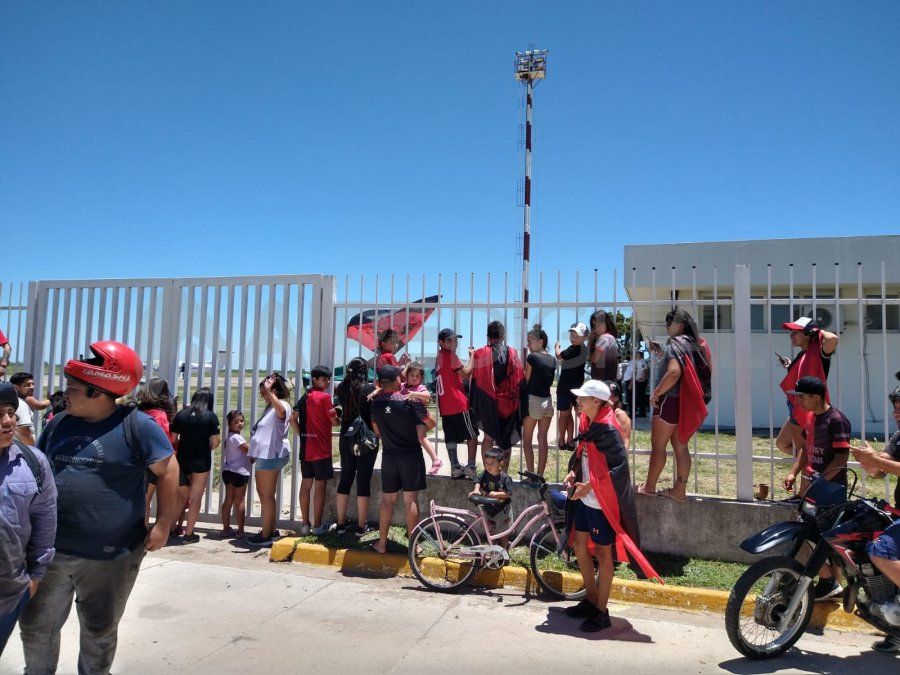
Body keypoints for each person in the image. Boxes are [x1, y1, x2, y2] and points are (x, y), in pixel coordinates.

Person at [19, 340, 179, 674]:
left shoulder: (137, 426)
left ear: (98, 393)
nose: (66, 395)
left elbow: (169, 469)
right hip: (50, 553)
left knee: (99, 632)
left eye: (73, 389)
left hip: (111, 556)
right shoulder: (59, 423)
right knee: (36, 628)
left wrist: (163, 524)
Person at [562, 380, 660, 632]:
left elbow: (617, 469)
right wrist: (574, 474)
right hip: (586, 498)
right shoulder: (587, 422)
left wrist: (589, 486)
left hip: (601, 502)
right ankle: (591, 598)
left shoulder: (608, 428)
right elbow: (584, 455)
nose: (578, 401)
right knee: (579, 545)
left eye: (583, 397)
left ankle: (601, 611)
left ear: (597, 401)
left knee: (604, 555)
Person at [0, 382, 56, 656]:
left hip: (9, 595)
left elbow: (44, 521)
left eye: (11, 412)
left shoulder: (33, 463)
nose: (8, 421)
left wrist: (35, 576)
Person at [782, 375, 850, 601]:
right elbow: (805, 448)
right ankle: (829, 581)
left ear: (816, 397)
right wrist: (794, 472)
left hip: (830, 491)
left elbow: (841, 458)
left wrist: (821, 483)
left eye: (801, 397)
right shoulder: (810, 418)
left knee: (824, 537)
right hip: (813, 488)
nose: (798, 401)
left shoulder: (836, 420)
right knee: (807, 534)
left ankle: (832, 582)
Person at [639, 309, 712, 501]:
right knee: (681, 447)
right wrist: (662, 352)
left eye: (669, 322)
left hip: (669, 401)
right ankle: (679, 490)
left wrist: (657, 393)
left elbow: (673, 372)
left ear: (680, 325)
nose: (666, 326)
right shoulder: (696, 345)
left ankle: (649, 487)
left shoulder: (675, 344)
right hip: (686, 403)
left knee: (658, 446)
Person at [852, 376, 900, 652]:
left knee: (880, 551)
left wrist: (877, 461)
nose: (896, 411)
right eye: (895, 406)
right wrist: (868, 458)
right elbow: (880, 470)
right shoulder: (898, 437)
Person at [369, 365, 427, 555]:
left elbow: (376, 431)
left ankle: (382, 543)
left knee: (388, 500)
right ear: (396, 381)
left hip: (389, 456)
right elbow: (428, 425)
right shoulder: (410, 402)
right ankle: (413, 545)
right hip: (411, 455)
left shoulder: (375, 404)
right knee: (410, 499)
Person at [776, 317, 839, 457]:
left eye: (795, 332)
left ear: (807, 333)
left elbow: (833, 339)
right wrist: (790, 366)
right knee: (782, 444)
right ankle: (817, 461)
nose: (791, 336)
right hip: (797, 404)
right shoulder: (804, 353)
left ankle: (815, 466)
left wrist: (817, 331)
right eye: (791, 332)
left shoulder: (819, 351)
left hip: (807, 405)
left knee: (802, 450)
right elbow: (803, 373)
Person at [291, 366, 339, 535]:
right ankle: (318, 526)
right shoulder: (325, 398)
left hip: (306, 450)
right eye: (324, 379)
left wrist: (302, 435)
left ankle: (305, 525)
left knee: (305, 485)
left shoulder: (304, 397)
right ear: (315, 379)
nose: (327, 382)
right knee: (320, 488)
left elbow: (292, 418)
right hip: (321, 450)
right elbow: (334, 422)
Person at [469, 321, 524, 470]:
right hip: (509, 403)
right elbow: (519, 378)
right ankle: (503, 472)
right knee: (506, 441)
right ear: (503, 336)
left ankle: (489, 471)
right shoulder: (512, 352)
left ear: (488, 337)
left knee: (488, 438)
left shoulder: (480, 353)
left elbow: (475, 380)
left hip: (489, 402)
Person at [246, 373, 292, 547]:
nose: (262, 395)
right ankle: (269, 530)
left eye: (264, 392)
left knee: (266, 496)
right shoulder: (270, 407)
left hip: (271, 456)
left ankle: (266, 535)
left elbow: (281, 412)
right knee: (266, 496)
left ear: (273, 391)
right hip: (266, 455)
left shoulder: (281, 406)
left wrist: (269, 391)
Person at [334, 357, 378, 536]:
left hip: (346, 437)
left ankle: (341, 523)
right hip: (365, 438)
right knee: (363, 480)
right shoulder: (369, 389)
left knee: (346, 478)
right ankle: (361, 525)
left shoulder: (342, 388)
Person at [170, 387, 220, 544]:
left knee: (180, 496)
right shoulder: (210, 416)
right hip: (201, 460)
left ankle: (171, 530)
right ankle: (189, 534)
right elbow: (216, 441)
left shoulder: (181, 415)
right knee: (196, 497)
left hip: (183, 457)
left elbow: (173, 439)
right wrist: (206, 447)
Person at [137, 378, 185, 530]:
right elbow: (163, 441)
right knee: (153, 499)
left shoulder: (140, 411)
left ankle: (141, 530)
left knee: (143, 499)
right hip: (155, 461)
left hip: (139, 460)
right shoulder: (160, 414)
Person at [434, 328, 477, 479]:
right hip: (458, 403)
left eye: (455, 340)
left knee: (451, 438)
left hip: (445, 406)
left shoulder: (439, 357)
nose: (454, 343)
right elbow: (465, 374)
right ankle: (471, 466)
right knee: (472, 435)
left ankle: (455, 467)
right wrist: (472, 357)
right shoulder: (450, 355)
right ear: (441, 342)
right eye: (449, 340)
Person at [523, 324, 555, 478]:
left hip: (534, 400)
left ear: (541, 341)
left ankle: (530, 474)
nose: (528, 344)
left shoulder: (532, 357)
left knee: (527, 439)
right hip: (548, 401)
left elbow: (527, 378)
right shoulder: (552, 359)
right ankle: (540, 474)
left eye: (531, 341)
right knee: (543, 438)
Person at [401, 362, 442, 474]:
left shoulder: (420, 387)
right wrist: (408, 363)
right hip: (406, 419)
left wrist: (414, 394)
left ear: (421, 378)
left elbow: (427, 395)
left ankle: (436, 460)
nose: (414, 378)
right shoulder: (402, 386)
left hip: (419, 418)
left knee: (421, 438)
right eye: (412, 375)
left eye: (418, 376)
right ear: (407, 376)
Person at [555, 322, 588, 452]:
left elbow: (559, 356)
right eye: (572, 334)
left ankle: (562, 439)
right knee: (571, 414)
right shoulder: (584, 350)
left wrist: (557, 347)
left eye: (576, 335)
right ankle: (570, 440)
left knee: (564, 414)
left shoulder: (572, 349)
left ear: (584, 337)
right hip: (577, 387)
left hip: (565, 387)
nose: (573, 337)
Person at [469, 446, 513, 546]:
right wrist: (476, 489)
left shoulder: (505, 478)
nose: (488, 466)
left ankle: (505, 551)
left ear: (500, 463)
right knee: (490, 531)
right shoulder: (485, 473)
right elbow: (478, 481)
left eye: (492, 463)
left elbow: (509, 493)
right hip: (488, 508)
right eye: (486, 463)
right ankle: (492, 549)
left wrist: (497, 494)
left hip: (502, 510)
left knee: (504, 533)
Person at [221, 410, 251, 538]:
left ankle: (226, 528)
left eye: (241, 421)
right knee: (240, 501)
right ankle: (240, 531)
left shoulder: (228, 438)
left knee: (229, 499)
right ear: (229, 424)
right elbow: (249, 451)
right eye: (236, 422)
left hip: (228, 471)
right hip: (239, 472)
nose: (240, 424)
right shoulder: (237, 438)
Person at [588, 310, 619, 381]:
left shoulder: (604, 338)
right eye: (594, 325)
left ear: (606, 323)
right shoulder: (611, 337)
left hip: (601, 382)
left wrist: (591, 342)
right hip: (608, 381)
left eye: (599, 324)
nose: (596, 328)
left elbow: (594, 359)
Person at [10, 372, 37, 446]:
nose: (32, 387)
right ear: (16, 387)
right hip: (24, 450)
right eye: (27, 385)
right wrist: (33, 452)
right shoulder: (21, 405)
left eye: (33, 384)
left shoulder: (12, 402)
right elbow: (25, 433)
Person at [605, 381, 633, 447]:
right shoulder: (593, 412)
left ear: (617, 398)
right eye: (606, 395)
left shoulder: (620, 415)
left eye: (613, 396)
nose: (608, 399)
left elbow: (625, 443)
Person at [633, 351, 650, 417]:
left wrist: (644, 379)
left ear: (641, 355)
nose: (636, 355)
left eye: (637, 354)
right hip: (638, 381)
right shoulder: (639, 362)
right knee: (639, 397)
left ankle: (642, 413)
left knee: (640, 397)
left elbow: (645, 370)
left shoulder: (642, 362)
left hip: (641, 381)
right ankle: (641, 412)